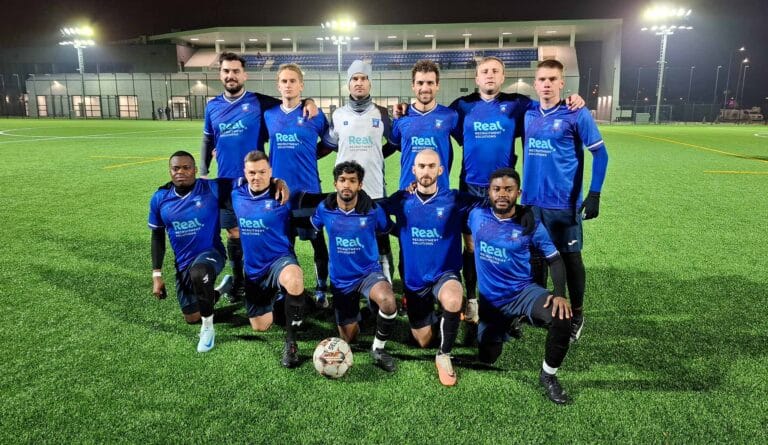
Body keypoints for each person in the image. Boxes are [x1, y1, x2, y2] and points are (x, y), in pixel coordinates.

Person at [450, 57, 585, 327]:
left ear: (503, 77)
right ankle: (474, 299)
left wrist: (574, 99)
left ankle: (514, 300)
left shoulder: (518, 104)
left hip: (502, 191)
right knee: (472, 245)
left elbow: (549, 105)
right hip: (471, 187)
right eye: (484, 72)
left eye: (495, 71)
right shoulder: (462, 106)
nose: (489, 76)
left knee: (506, 244)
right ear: (476, 78)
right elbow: (447, 126)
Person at [200, 52, 316, 302]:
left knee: (261, 231)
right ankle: (239, 282)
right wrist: (203, 169)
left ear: (245, 74)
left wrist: (309, 100)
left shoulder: (259, 103)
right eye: (226, 71)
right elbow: (208, 138)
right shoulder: (212, 106)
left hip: (256, 182)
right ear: (220, 74)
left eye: (235, 71)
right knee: (233, 232)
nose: (231, 76)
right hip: (225, 182)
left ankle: (272, 280)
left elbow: (288, 101)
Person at [522, 59, 609, 344]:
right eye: (542, 79)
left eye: (552, 79)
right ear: (535, 84)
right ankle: (539, 306)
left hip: (563, 204)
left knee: (571, 260)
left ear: (562, 83)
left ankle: (578, 314)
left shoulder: (576, 113)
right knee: (536, 257)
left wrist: (594, 193)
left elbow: (601, 154)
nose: (546, 84)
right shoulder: (528, 113)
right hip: (532, 203)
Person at [468, 168, 573, 404]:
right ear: (489, 192)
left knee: (561, 318)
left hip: (522, 293)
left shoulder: (531, 224)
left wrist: (560, 294)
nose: (502, 194)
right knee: (488, 357)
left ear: (519, 192)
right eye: (497, 189)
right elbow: (452, 202)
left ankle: (548, 377)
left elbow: (555, 259)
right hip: (491, 302)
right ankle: (507, 323)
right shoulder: (476, 215)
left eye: (508, 189)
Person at [379, 149, 479, 386]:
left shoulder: (454, 198)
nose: (426, 171)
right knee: (422, 340)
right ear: (413, 170)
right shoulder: (402, 200)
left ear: (440, 170)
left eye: (431, 166)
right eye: (421, 166)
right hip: (415, 282)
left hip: (445, 274)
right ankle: (446, 317)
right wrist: (396, 231)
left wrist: (523, 209)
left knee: (453, 298)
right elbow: (374, 208)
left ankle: (444, 355)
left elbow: (490, 202)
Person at [310, 161, 398, 372]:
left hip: (369, 273)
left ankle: (378, 348)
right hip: (341, 280)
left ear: (360, 185)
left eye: (352, 181)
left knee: (387, 301)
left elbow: (386, 230)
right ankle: (365, 313)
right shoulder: (325, 208)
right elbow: (314, 227)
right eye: (342, 180)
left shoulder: (373, 210)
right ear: (335, 184)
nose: (346, 185)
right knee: (350, 338)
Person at [147, 151, 233, 353]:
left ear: (195, 170)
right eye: (176, 168)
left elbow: (245, 180)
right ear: (170, 171)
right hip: (184, 263)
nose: (181, 172)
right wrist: (156, 275)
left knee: (199, 273)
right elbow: (157, 236)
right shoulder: (160, 198)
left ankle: (208, 330)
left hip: (211, 253)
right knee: (191, 317)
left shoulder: (211, 187)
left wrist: (275, 181)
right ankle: (221, 290)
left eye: (186, 168)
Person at [320, 59, 396, 283]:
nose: (359, 83)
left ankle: (387, 282)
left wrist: (378, 154)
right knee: (346, 238)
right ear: (348, 84)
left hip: (374, 188)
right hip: (346, 191)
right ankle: (347, 281)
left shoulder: (381, 114)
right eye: (355, 79)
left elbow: (393, 142)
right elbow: (328, 144)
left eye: (363, 78)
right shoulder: (338, 115)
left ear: (370, 83)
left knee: (381, 239)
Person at [264, 63, 331, 308]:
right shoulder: (269, 116)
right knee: (284, 243)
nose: (288, 85)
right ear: (278, 85)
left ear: (301, 85)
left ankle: (322, 288)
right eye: (284, 81)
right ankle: (288, 288)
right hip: (279, 193)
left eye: (293, 81)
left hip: (309, 191)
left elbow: (330, 143)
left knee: (317, 240)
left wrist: (311, 156)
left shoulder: (314, 115)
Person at [231, 150, 306, 368]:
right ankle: (295, 299)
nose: (257, 177)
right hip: (254, 270)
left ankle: (291, 343)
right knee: (260, 326)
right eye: (252, 172)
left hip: (279, 261)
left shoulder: (283, 195)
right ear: (245, 173)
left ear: (270, 171)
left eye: (262, 172)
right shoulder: (237, 194)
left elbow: (319, 200)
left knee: (294, 278)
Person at [391, 60, 459, 191]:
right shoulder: (401, 116)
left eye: (430, 83)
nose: (425, 88)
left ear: (437, 85)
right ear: (413, 86)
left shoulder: (450, 116)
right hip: (407, 191)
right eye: (420, 83)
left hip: (439, 192)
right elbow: (394, 144)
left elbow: (465, 146)